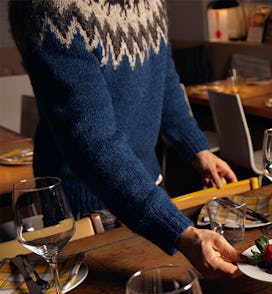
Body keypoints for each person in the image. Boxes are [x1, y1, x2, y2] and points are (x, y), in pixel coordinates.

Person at [9, 0, 244, 279]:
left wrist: (197, 149)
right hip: (86, 206)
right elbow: (92, 139)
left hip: (147, 187)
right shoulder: (48, 7)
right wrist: (180, 232)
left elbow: (165, 82)